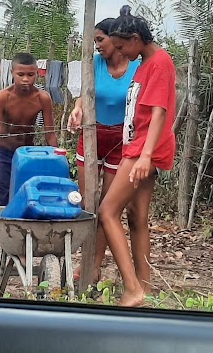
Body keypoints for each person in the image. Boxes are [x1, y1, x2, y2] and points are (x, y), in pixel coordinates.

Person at [97, 5, 176, 307]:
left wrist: (145, 156)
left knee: (107, 211)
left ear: (135, 38)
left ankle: (132, 289)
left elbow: (159, 112)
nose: (119, 53)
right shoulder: (145, 63)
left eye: (120, 46)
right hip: (140, 145)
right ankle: (146, 287)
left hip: (144, 148)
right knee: (137, 217)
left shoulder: (159, 63)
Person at [0, 52, 58, 285]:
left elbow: (50, 134)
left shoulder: (43, 98)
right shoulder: (2, 97)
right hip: (2, 154)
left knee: (26, 203)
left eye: (31, 75)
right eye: (21, 74)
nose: (26, 79)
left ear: (37, 74)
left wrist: (58, 161)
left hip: (27, 157)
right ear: (12, 73)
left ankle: (20, 250)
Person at [68, 16, 140, 282]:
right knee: (88, 202)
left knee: (107, 206)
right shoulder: (93, 64)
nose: (96, 45)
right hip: (91, 133)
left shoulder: (137, 67)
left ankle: (95, 264)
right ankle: (82, 258)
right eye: (94, 40)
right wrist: (77, 110)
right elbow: (83, 95)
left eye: (100, 40)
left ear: (116, 40)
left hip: (121, 139)